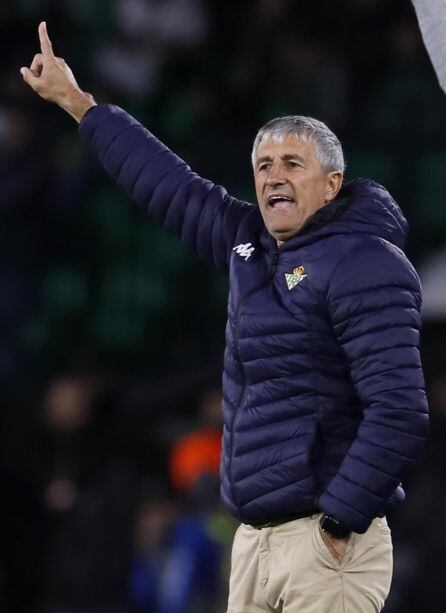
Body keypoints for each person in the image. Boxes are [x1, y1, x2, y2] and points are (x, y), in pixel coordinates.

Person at [20, 22, 429, 613]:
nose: (273, 177)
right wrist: (79, 104)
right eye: (263, 165)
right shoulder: (250, 245)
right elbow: (169, 187)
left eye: (292, 163)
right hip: (253, 542)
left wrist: (339, 521)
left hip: (324, 541)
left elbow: (399, 409)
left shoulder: (364, 261)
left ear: (332, 184)